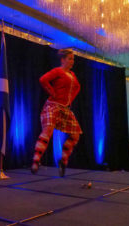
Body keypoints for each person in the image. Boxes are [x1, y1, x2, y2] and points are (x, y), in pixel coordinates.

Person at [31, 49, 82, 177]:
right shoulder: (58, 71)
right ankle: (36, 160)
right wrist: (52, 92)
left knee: (76, 135)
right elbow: (43, 79)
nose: (72, 61)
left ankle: (63, 160)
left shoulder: (73, 75)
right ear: (62, 60)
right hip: (53, 105)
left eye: (73, 59)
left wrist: (70, 100)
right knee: (48, 130)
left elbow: (78, 87)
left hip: (64, 108)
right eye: (70, 58)